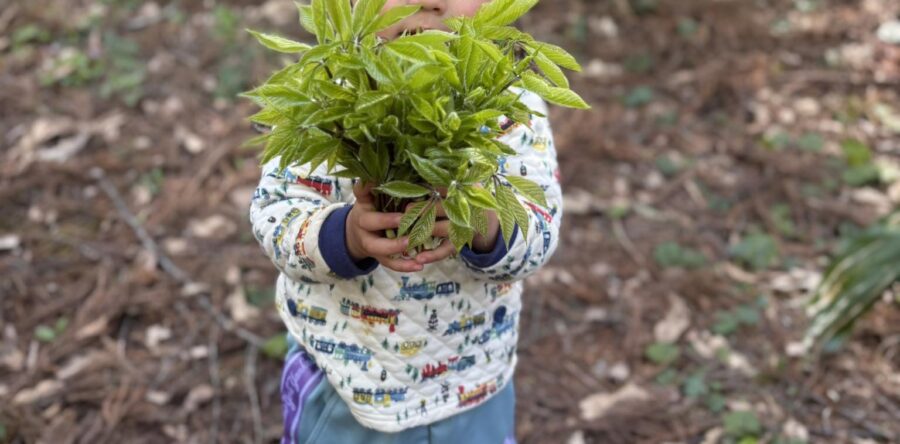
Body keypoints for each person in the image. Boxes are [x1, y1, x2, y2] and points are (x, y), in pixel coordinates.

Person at [249, 1, 563, 442]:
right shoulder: (326, 92)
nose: (431, 2)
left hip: (472, 390)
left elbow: (540, 226)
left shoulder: (508, 105)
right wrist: (348, 237)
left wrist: (484, 221)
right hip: (343, 388)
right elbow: (276, 214)